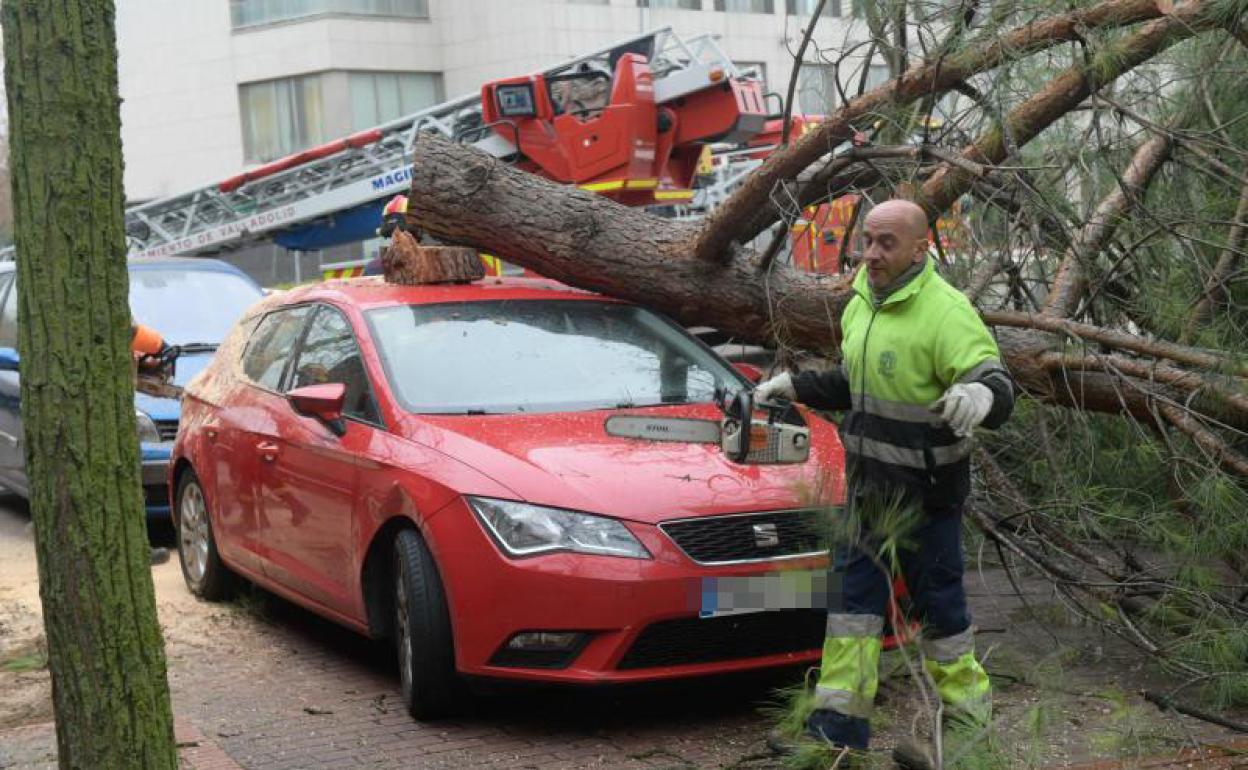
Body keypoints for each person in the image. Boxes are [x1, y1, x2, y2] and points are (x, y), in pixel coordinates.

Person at [756, 199, 1015, 764]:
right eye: (867, 240)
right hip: (867, 496)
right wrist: (795, 386)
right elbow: (856, 383)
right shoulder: (862, 304)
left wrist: (982, 395)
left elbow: (993, 378)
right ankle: (836, 737)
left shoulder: (946, 313)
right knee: (850, 615)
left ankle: (964, 740)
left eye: (886, 243)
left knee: (943, 621)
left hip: (926, 501)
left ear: (921, 247)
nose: (871, 252)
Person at [131, 320, 176, 566]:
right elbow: (126, 328)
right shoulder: (98, 298)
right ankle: (135, 549)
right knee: (127, 483)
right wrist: (158, 345)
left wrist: (139, 361)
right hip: (107, 415)